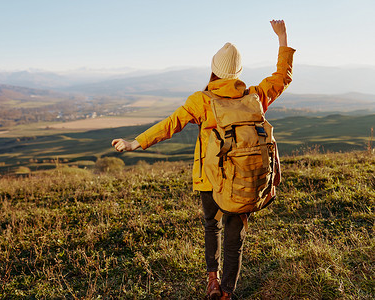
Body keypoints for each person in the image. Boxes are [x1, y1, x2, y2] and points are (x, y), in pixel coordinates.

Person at [112, 20, 295, 300]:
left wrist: (135, 142)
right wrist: (282, 38)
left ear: (213, 69)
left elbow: (171, 123)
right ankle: (227, 293)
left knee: (212, 225)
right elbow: (283, 76)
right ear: (239, 72)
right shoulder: (255, 97)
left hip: (210, 177)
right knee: (235, 239)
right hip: (245, 177)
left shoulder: (202, 100)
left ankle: (212, 280)